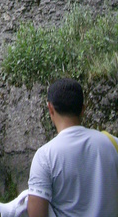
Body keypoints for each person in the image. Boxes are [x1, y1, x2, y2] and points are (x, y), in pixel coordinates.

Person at [26, 78, 118, 217]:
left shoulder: (45, 156)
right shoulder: (113, 143)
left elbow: (36, 213)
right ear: (83, 109)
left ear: (50, 108)